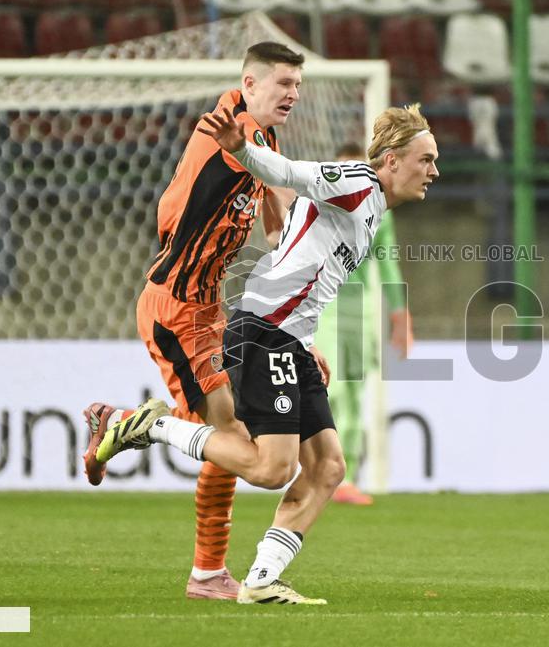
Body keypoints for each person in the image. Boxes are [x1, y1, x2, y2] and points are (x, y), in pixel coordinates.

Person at [92, 103, 439, 604]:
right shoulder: (358, 181)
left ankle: (259, 579)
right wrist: (242, 150)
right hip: (264, 335)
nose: (434, 171)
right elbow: (291, 173)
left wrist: (306, 343)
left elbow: (292, 253)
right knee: (272, 469)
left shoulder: (371, 211)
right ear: (391, 160)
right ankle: (151, 425)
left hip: (289, 339)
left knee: (327, 467)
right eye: (426, 159)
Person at [81, 42, 313, 601]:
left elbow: (271, 209)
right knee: (234, 439)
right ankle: (127, 424)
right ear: (249, 84)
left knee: (235, 438)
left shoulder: (260, 138)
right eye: (282, 83)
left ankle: (208, 572)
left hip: (207, 308)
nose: (293, 94)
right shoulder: (231, 129)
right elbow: (267, 183)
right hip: (177, 309)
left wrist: (280, 238)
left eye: (297, 86)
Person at [315, 144, 414, 506]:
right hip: (325, 308)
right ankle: (318, 469)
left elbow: (388, 265)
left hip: (361, 311)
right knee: (332, 389)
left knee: (355, 396)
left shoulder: (380, 213)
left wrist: (400, 316)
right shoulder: (320, 207)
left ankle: (345, 477)